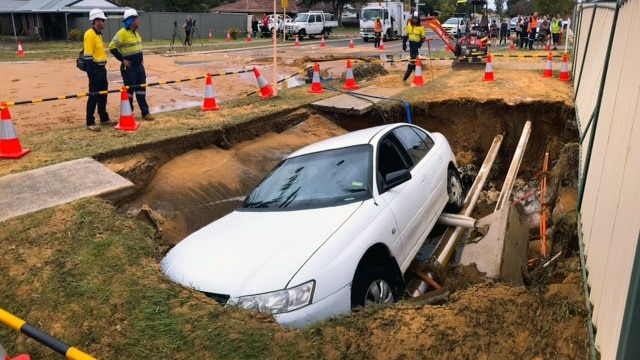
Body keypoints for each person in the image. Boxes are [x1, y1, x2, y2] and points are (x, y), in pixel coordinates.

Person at [109, 8, 154, 121]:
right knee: (129, 92)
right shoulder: (122, 33)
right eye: (136, 18)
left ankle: (145, 113)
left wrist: (141, 59)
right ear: (131, 20)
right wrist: (122, 60)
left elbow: (137, 48)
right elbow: (112, 47)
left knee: (141, 90)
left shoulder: (136, 33)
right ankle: (128, 113)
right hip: (129, 68)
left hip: (139, 67)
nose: (138, 20)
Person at [84, 8, 112, 132]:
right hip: (94, 70)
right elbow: (88, 56)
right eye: (102, 20)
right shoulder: (89, 34)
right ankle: (90, 122)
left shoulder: (98, 34)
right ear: (96, 21)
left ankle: (104, 118)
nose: (104, 22)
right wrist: (92, 71)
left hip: (102, 69)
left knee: (103, 94)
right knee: (94, 95)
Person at [402, 16, 425, 85]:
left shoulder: (421, 28)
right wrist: (404, 44)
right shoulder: (409, 26)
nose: (415, 20)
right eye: (414, 19)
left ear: (418, 20)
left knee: (412, 62)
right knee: (414, 62)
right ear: (412, 19)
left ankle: (405, 78)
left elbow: (423, 38)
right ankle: (415, 75)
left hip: (416, 45)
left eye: (416, 19)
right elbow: (406, 36)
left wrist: (420, 44)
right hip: (411, 44)